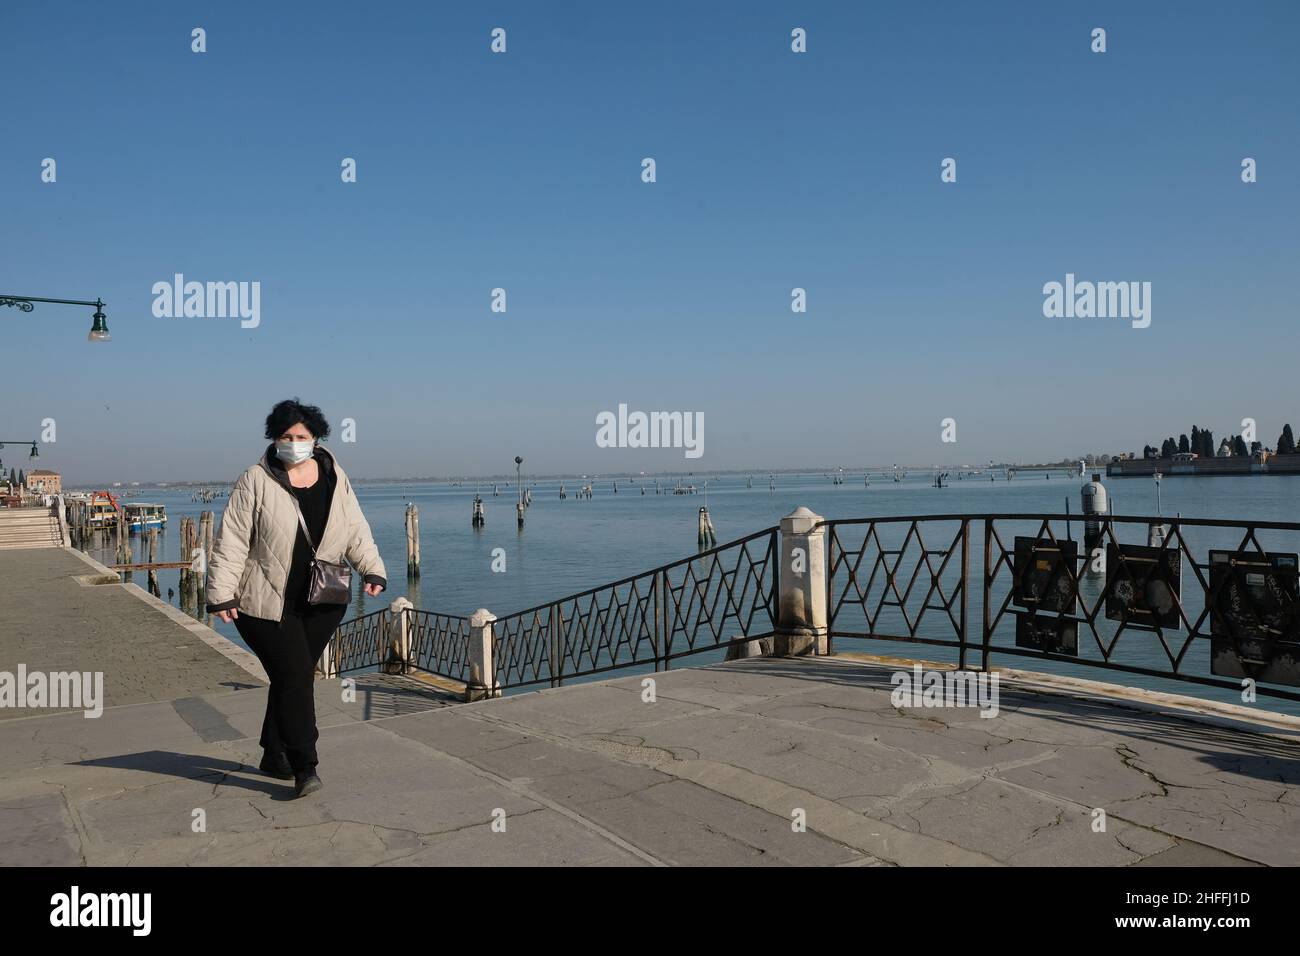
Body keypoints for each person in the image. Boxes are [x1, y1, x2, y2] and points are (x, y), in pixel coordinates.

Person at [206, 399, 386, 798]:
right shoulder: (254, 479)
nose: (293, 443)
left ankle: (273, 753)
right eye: (286, 436)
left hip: (324, 599)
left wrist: (372, 568)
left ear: (315, 439)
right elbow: (232, 539)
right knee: (296, 678)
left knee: (291, 679)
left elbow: (354, 526)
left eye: (301, 437)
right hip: (265, 603)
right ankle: (306, 765)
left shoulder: (334, 474)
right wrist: (220, 593)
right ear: (274, 438)